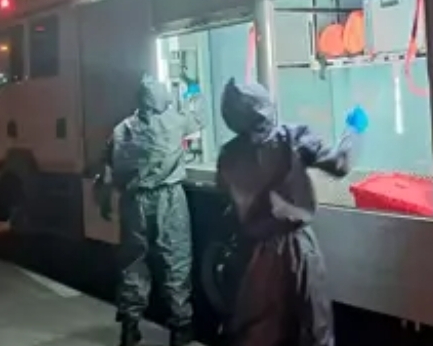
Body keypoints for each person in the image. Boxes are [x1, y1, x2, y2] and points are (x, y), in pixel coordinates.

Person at [215, 78, 368, 346]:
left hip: (254, 254)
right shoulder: (292, 137)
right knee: (313, 326)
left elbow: (225, 194)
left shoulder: (227, 155)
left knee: (260, 332)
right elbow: (340, 164)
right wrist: (354, 131)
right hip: (297, 249)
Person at [107, 74, 206, 346]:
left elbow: (111, 164)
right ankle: (180, 327)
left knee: (133, 263)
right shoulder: (173, 121)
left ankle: (130, 327)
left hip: (133, 202)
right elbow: (199, 117)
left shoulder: (122, 129)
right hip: (168, 199)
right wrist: (193, 87)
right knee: (176, 260)